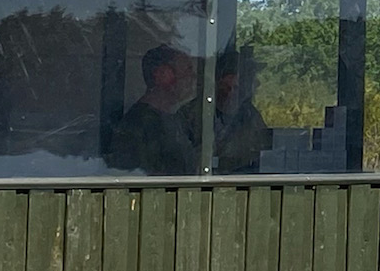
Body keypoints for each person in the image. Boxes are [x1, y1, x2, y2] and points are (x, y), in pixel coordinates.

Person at [106, 44, 199, 175]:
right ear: (162, 75)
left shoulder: (177, 119)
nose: (193, 78)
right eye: (187, 71)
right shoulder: (136, 126)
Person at [182, 46, 270, 174]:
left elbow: (265, 149)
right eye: (247, 75)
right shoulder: (193, 113)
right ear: (225, 78)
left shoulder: (248, 113)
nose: (256, 82)